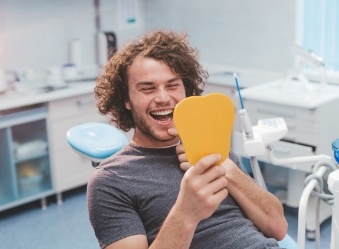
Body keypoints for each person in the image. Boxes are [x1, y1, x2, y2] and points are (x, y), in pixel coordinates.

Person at [87, 30, 288, 249]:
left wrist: (225, 168)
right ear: (126, 99)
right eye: (147, 89)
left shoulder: (212, 146)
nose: (163, 98)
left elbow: (278, 227)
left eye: (172, 86)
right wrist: (187, 213)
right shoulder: (110, 180)